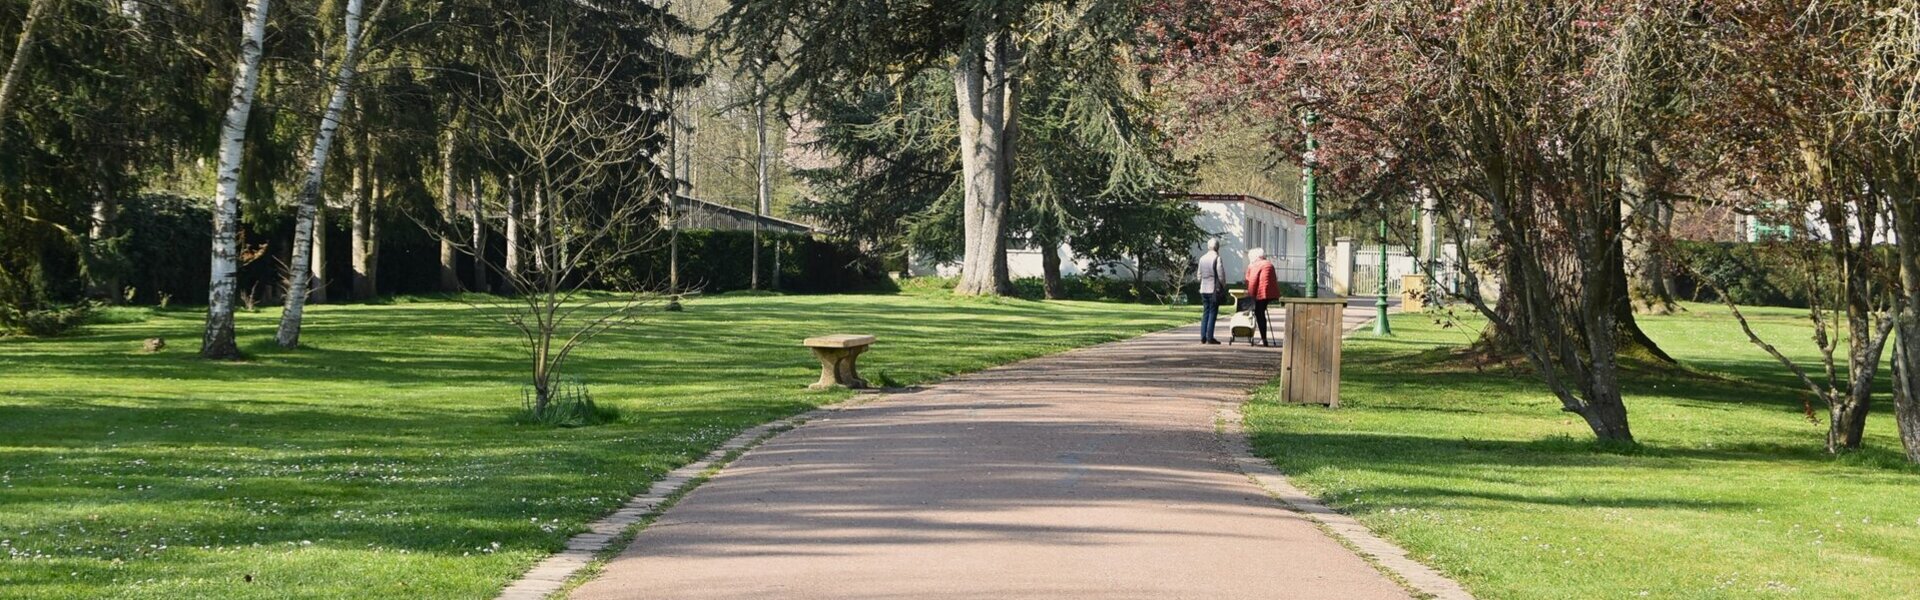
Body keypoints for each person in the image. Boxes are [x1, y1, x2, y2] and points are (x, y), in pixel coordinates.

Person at [1245, 247, 1280, 347]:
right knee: (1261, 312)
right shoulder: (1269, 263)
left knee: (1259, 313)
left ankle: (1263, 339)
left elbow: (1252, 281)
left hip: (1261, 293)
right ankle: (1263, 338)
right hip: (1270, 293)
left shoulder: (1256, 265)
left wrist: (1250, 295)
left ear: (1254, 257)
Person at [1196, 238, 1227, 344]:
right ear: (1217, 247)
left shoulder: (1202, 258)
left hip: (1203, 288)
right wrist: (1223, 285)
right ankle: (1210, 337)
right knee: (1213, 312)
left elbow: (1199, 275)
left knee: (1205, 312)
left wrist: (1202, 282)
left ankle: (1202, 336)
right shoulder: (1217, 258)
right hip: (1213, 289)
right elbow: (1221, 275)